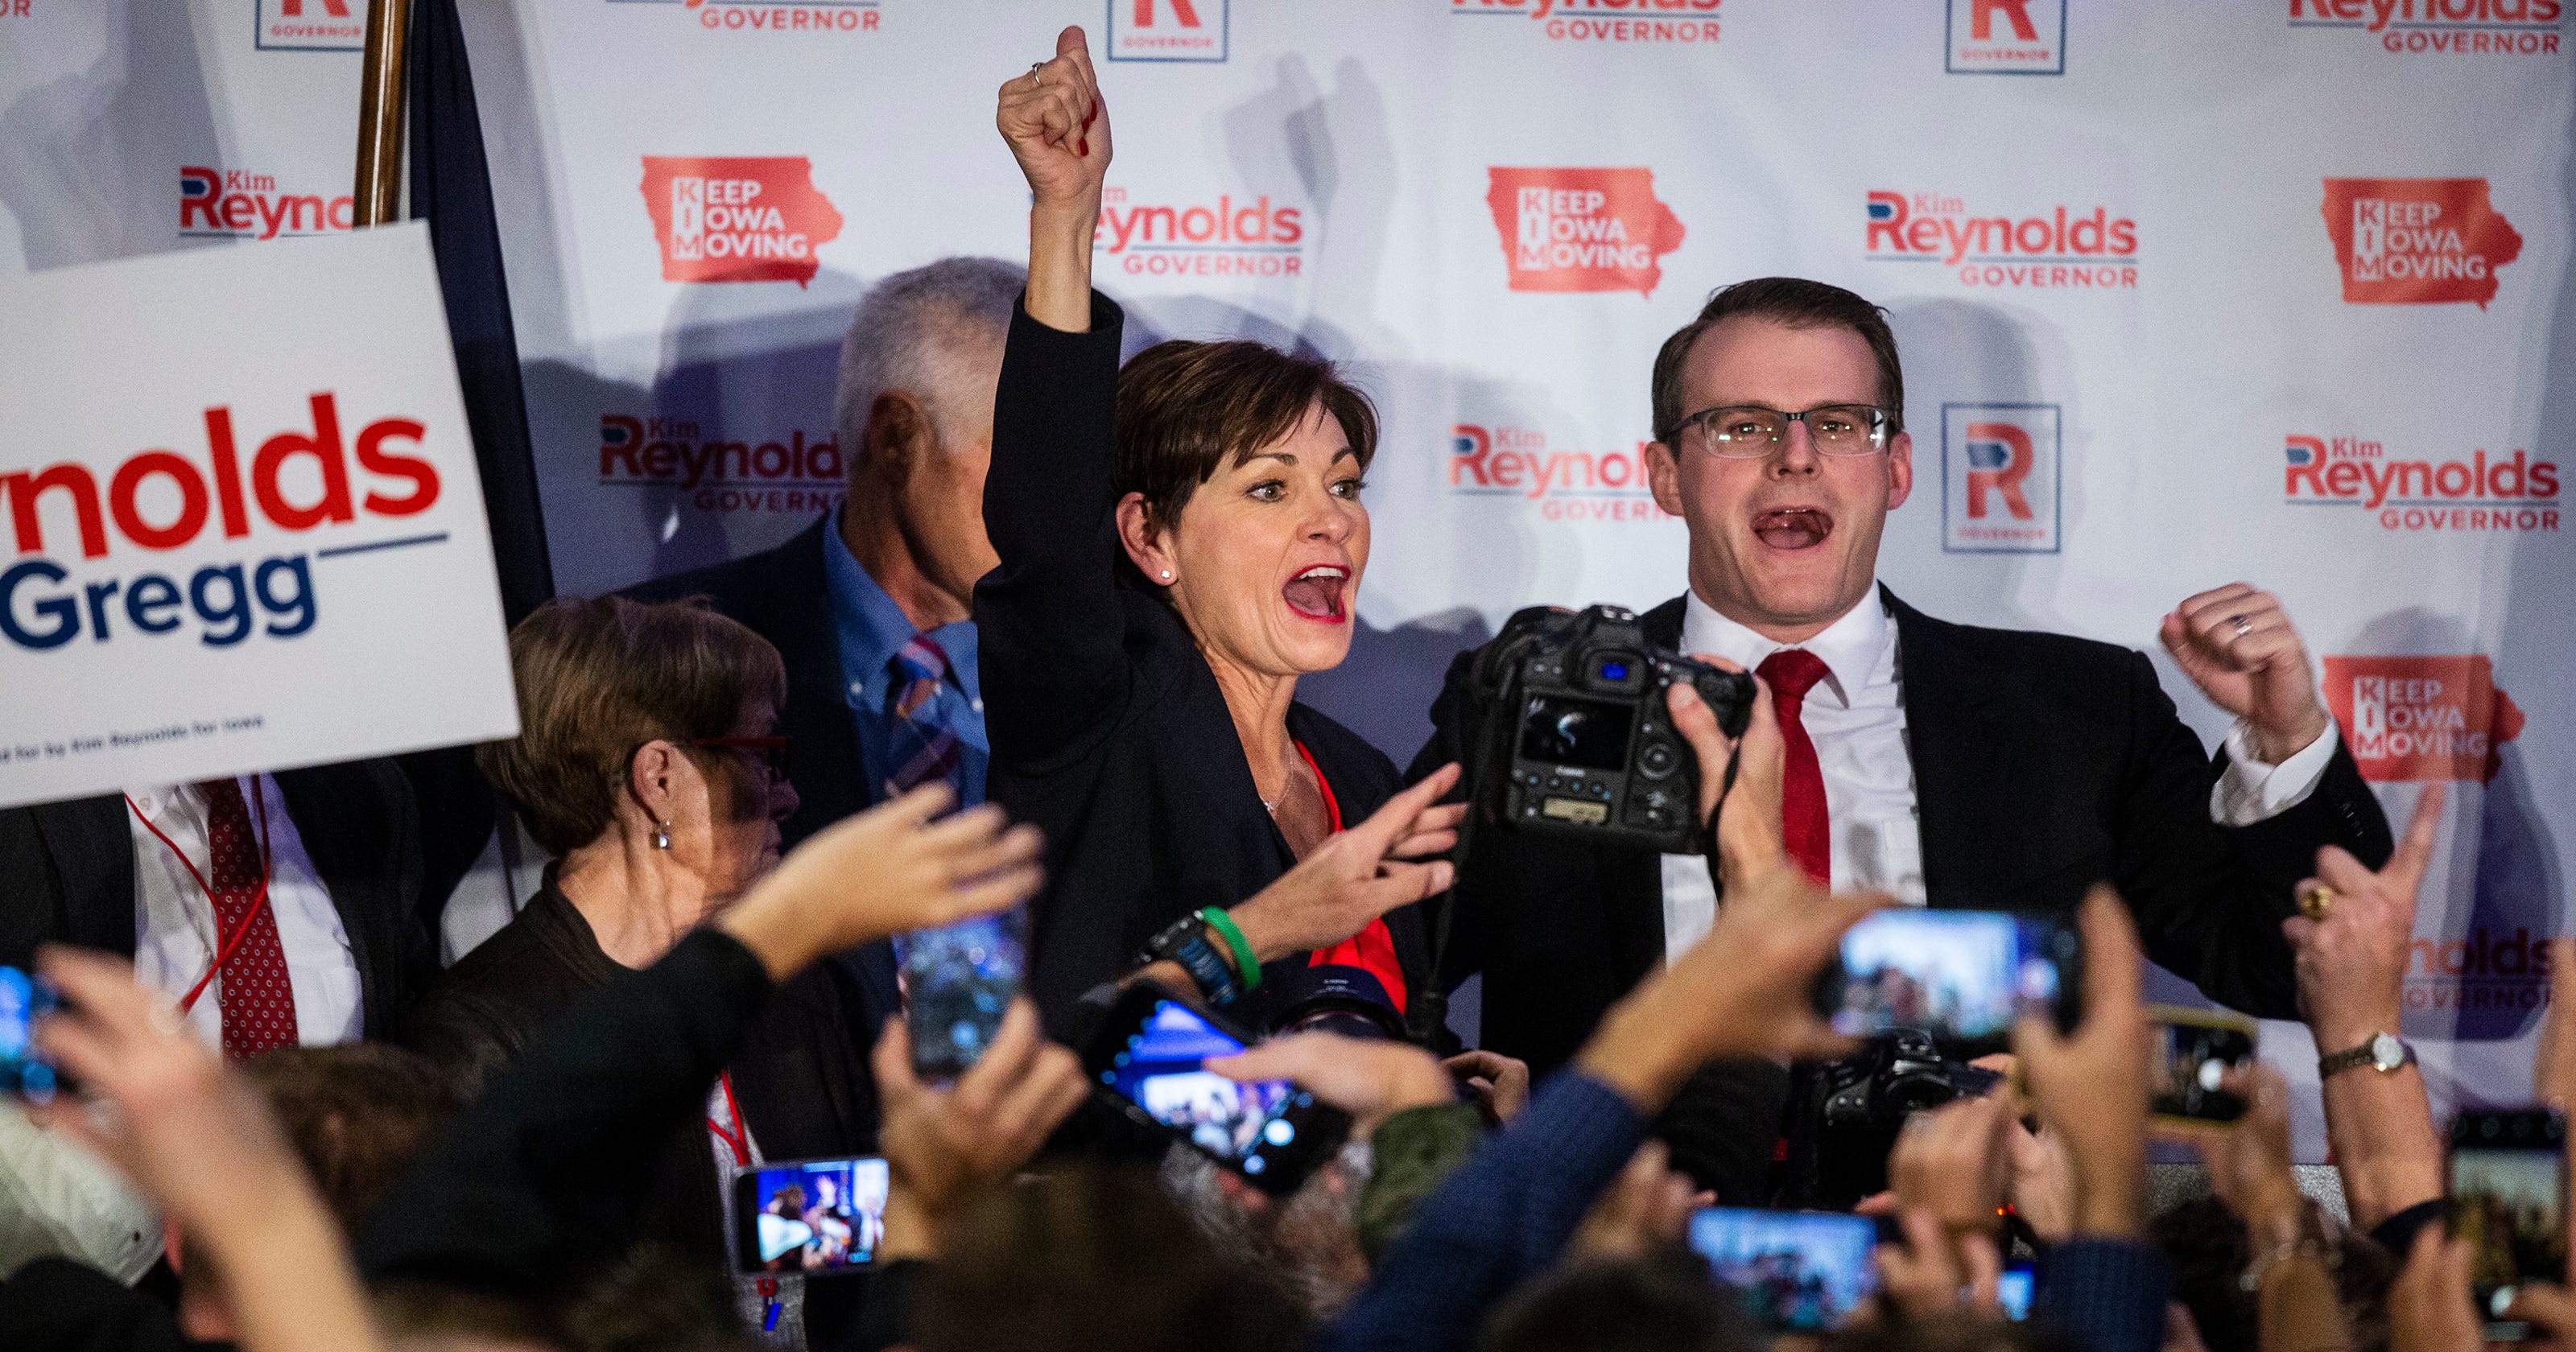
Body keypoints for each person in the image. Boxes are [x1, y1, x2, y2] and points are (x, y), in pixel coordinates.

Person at [1415, 274, 2396, 1199]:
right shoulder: (1543, 698)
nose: (1793, 456)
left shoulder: (2078, 710)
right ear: (1666, 476)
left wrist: (2283, 743)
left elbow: (2281, 965)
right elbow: (1372, 968)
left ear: (1895, 467)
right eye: (1740, 425)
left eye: (1838, 425)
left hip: (1967, 1270)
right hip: (1619, 1274)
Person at [984, 27, 1466, 1035]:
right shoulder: (1095, 712)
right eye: (1267, 490)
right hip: (1112, 1196)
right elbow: (1044, 527)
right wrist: (1065, 218)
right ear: (1148, 538)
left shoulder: (1359, 777)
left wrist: (1441, 1090)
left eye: (1344, 484)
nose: (1328, 517)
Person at [398, 594, 912, 1346]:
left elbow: (769, 1234)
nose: (790, 793)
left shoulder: (785, 986)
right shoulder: (483, 1038)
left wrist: (947, 1184)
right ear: (660, 780)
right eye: (765, 755)